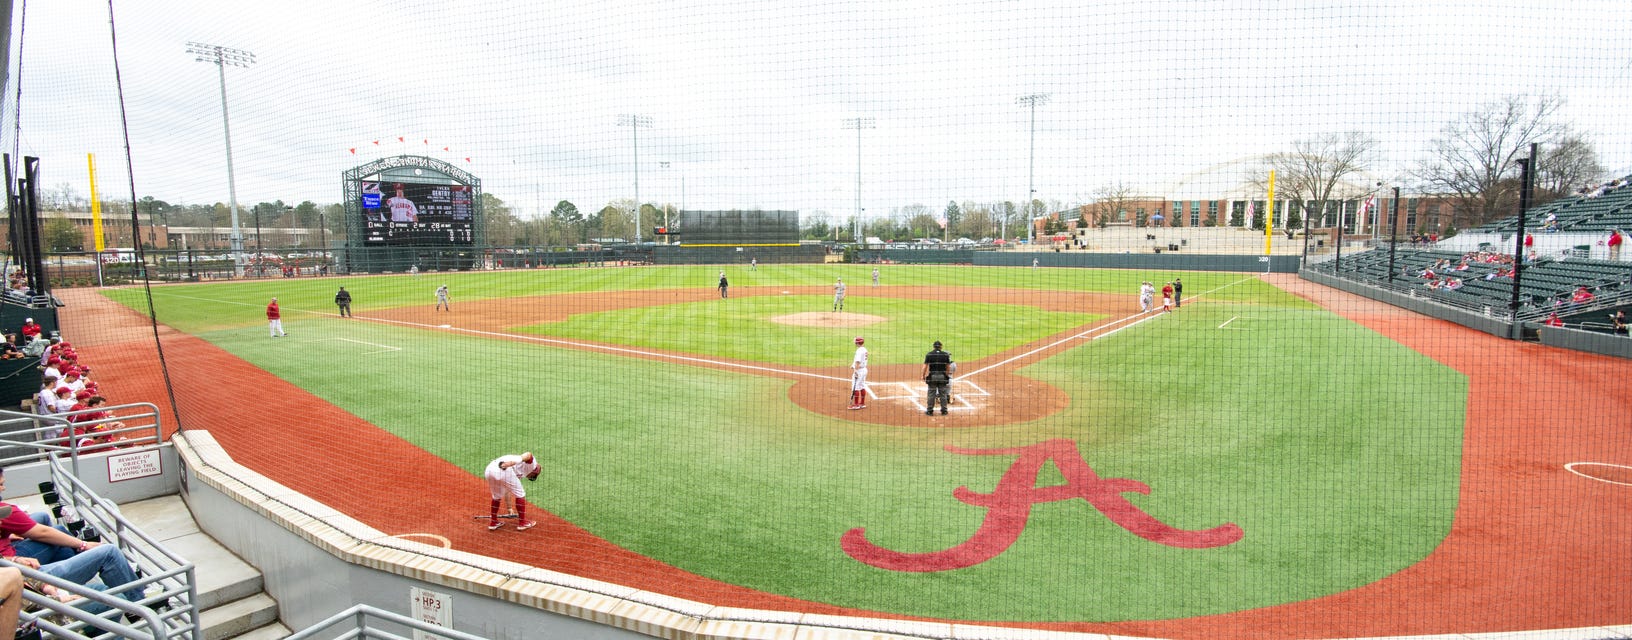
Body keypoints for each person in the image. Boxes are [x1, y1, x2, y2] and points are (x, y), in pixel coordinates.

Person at [0, 470, 145, 615]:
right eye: (1, 484)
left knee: (58, 531)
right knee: (109, 553)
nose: (4, 488)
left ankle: (71, 583)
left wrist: (11, 551)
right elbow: (41, 533)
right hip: (22, 577)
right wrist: (83, 544)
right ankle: (139, 606)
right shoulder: (4, 509)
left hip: (13, 564)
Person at [483, 452, 540, 532]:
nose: (529, 477)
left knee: (496, 496)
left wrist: (509, 508)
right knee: (521, 494)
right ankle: (522, 523)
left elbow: (507, 491)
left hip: (489, 470)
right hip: (503, 468)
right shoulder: (532, 465)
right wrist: (512, 462)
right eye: (532, 476)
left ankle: (493, 522)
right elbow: (528, 454)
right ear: (535, 472)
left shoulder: (520, 473)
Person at [921, 340, 954, 416]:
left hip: (932, 377)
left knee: (931, 394)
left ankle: (930, 411)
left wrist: (923, 375)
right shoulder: (945, 355)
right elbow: (948, 366)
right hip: (942, 376)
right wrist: (946, 375)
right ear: (941, 347)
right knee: (943, 394)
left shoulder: (929, 354)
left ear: (934, 347)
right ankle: (944, 411)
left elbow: (925, 366)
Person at [848, 336, 869, 410]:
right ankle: (862, 403)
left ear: (857, 343)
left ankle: (856, 405)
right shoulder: (864, 349)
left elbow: (857, 362)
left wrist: (855, 371)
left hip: (859, 370)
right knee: (862, 386)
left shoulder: (859, 351)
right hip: (864, 369)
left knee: (856, 387)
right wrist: (853, 365)